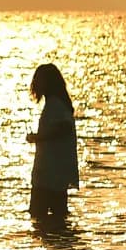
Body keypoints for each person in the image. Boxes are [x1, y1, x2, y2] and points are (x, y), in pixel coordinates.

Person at [26, 63, 79, 221]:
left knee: (38, 216)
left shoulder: (55, 105)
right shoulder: (57, 103)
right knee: (58, 218)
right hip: (55, 173)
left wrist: (38, 138)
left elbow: (64, 128)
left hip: (50, 174)